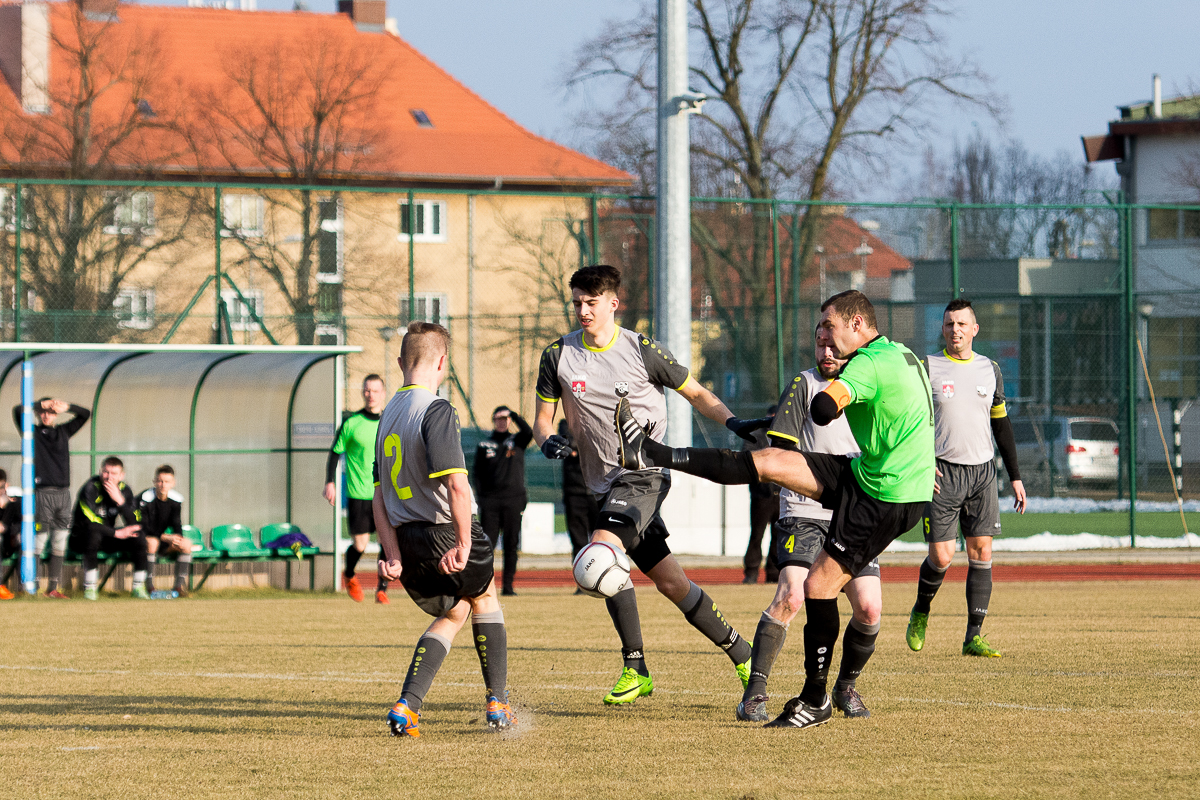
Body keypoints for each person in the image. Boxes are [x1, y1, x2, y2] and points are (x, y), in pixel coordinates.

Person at [616, 289, 934, 728]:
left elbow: (823, 409)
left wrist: (836, 395)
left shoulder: (866, 364)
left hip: (881, 496)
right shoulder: (901, 354)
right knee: (768, 464)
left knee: (821, 590)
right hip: (865, 479)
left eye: (831, 328)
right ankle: (651, 452)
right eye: (820, 334)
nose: (826, 340)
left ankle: (818, 699)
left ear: (857, 325)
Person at [533, 264, 761, 706]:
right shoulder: (557, 355)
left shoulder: (641, 350)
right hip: (603, 486)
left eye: (591, 303)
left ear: (613, 304)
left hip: (645, 476)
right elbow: (543, 420)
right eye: (577, 302)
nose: (583, 310)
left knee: (599, 556)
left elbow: (696, 393)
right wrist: (547, 441)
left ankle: (635, 667)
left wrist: (733, 422)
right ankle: (743, 653)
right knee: (673, 584)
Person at [376, 322, 516, 737]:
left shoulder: (387, 415)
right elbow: (456, 485)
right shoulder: (435, 409)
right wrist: (464, 542)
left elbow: (377, 497)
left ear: (400, 362)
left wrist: (392, 554)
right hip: (441, 531)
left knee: (455, 611)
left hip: (407, 539)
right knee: (485, 597)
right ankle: (498, 703)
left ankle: (407, 706)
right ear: (443, 363)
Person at [737, 326, 883, 723]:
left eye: (833, 344)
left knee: (869, 608)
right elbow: (780, 450)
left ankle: (845, 686)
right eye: (820, 343)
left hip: (853, 513)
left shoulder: (870, 385)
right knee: (792, 597)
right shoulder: (804, 384)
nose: (827, 351)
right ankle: (754, 693)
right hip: (803, 511)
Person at [906, 298, 1027, 659]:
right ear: (942, 329)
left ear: (974, 329)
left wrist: (1016, 477)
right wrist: (921, 462)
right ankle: (921, 610)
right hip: (941, 473)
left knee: (982, 552)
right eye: (949, 324)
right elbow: (910, 421)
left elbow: (1001, 424)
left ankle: (973, 636)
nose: (955, 330)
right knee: (942, 557)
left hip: (982, 474)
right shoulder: (927, 367)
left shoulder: (990, 369)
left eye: (961, 324)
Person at [12, 397, 90, 599]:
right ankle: (32, 587)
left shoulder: (63, 431)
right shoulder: (32, 433)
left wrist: (68, 407)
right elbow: (17, 411)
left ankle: (53, 588)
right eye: (44, 412)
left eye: (51, 412)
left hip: (63, 494)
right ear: (38, 414)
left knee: (60, 542)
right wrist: (38, 405)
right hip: (42, 494)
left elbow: (85, 414)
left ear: (56, 414)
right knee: (39, 540)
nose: (47, 415)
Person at [325, 374, 389, 604]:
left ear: (383, 393)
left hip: (385, 495)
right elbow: (335, 452)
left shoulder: (390, 422)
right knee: (360, 545)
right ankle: (350, 574)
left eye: (375, 390)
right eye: (367, 390)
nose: (371, 395)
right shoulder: (352, 423)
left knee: (387, 542)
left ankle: (382, 589)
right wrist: (329, 482)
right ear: (363, 392)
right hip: (358, 495)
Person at [473, 405, 534, 595]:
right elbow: (477, 474)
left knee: (511, 544)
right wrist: (481, 498)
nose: (502, 422)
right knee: (487, 545)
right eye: (498, 419)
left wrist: (514, 415)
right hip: (490, 502)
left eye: (505, 419)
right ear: (493, 420)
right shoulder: (485, 444)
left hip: (514, 500)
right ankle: (484, 586)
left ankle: (508, 586)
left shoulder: (517, 440)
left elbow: (528, 431)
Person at [69, 456, 147, 600]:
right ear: (100, 472)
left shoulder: (125, 490)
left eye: (114, 473)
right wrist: (116, 533)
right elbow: (89, 522)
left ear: (121, 476)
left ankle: (139, 586)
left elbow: (135, 522)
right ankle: (90, 588)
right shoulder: (90, 488)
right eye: (106, 472)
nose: (109, 477)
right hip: (80, 538)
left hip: (108, 536)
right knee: (93, 534)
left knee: (138, 535)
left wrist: (120, 502)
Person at [137, 464, 191, 597]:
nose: (163, 485)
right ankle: (149, 588)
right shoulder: (145, 498)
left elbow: (177, 523)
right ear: (154, 481)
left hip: (162, 540)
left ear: (173, 483)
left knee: (186, 544)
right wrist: (165, 537)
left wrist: (178, 538)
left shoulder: (176, 500)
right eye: (160, 481)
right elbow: (144, 527)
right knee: (152, 542)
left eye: (167, 481)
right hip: (144, 540)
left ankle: (178, 588)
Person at [742, 405, 780, 584]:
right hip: (761, 495)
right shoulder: (756, 436)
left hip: (781, 495)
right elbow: (747, 458)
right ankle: (751, 572)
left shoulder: (785, 437)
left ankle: (774, 573)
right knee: (757, 535)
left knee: (778, 536)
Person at [558, 419, 598, 561]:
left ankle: (602, 572)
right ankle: (581, 573)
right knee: (578, 541)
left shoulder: (596, 420)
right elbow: (568, 444)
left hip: (597, 492)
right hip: (574, 491)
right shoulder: (566, 424)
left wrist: (578, 449)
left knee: (600, 540)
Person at [0, 469, 21, 599]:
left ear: (6, 485)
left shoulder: (14, 503)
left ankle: (24, 588)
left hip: (10, 543)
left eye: (1, 487)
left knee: (25, 542)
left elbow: (18, 524)